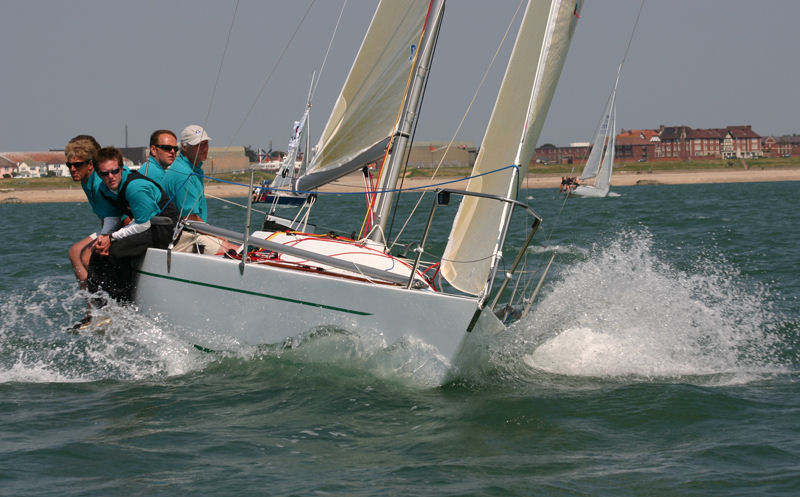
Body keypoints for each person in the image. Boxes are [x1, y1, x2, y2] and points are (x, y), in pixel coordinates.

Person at [86, 147, 179, 303]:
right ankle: (97, 307)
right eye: (104, 173)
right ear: (98, 173)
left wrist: (112, 237)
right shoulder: (104, 188)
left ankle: (123, 304)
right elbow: (112, 216)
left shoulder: (135, 187)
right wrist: (103, 237)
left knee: (117, 251)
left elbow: (143, 224)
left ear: (122, 168)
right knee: (97, 253)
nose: (110, 176)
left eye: (115, 171)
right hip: (145, 226)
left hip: (164, 228)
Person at [162, 124, 229, 254]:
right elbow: (190, 218)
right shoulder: (184, 174)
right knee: (232, 251)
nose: (204, 148)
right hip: (180, 236)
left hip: (187, 232)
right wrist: (216, 235)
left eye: (205, 143)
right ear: (185, 147)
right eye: (198, 145)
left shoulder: (190, 169)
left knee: (232, 246)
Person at [65, 135, 120, 290]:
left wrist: (106, 239)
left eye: (77, 165)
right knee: (74, 251)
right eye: (69, 165)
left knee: (87, 256)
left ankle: (103, 300)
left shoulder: (98, 182)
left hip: (121, 226)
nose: (72, 169)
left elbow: (119, 216)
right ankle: (91, 306)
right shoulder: (85, 181)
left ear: (90, 164)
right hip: (110, 225)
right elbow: (105, 217)